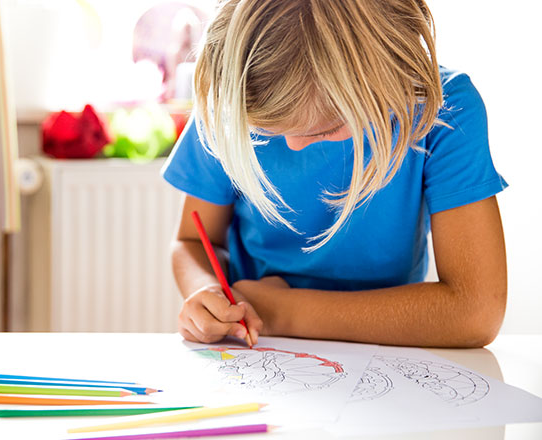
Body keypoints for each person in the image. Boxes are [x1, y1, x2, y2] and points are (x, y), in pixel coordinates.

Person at [162, 0, 507, 348]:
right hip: (256, 349)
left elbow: (475, 312)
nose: (294, 145)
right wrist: (205, 290)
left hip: (382, 356)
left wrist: (282, 311)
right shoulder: (230, 104)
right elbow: (193, 241)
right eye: (266, 129)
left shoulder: (445, 111)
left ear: (379, 77)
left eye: (326, 129)